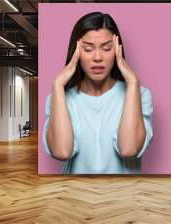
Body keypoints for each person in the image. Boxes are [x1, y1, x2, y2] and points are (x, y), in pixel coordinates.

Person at [42, 12, 153, 174]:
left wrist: (133, 82)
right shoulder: (57, 98)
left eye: (107, 48)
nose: (98, 57)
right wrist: (58, 85)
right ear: (76, 52)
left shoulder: (140, 94)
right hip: (74, 196)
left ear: (117, 50)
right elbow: (62, 152)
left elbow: (129, 149)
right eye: (88, 49)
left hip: (126, 196)